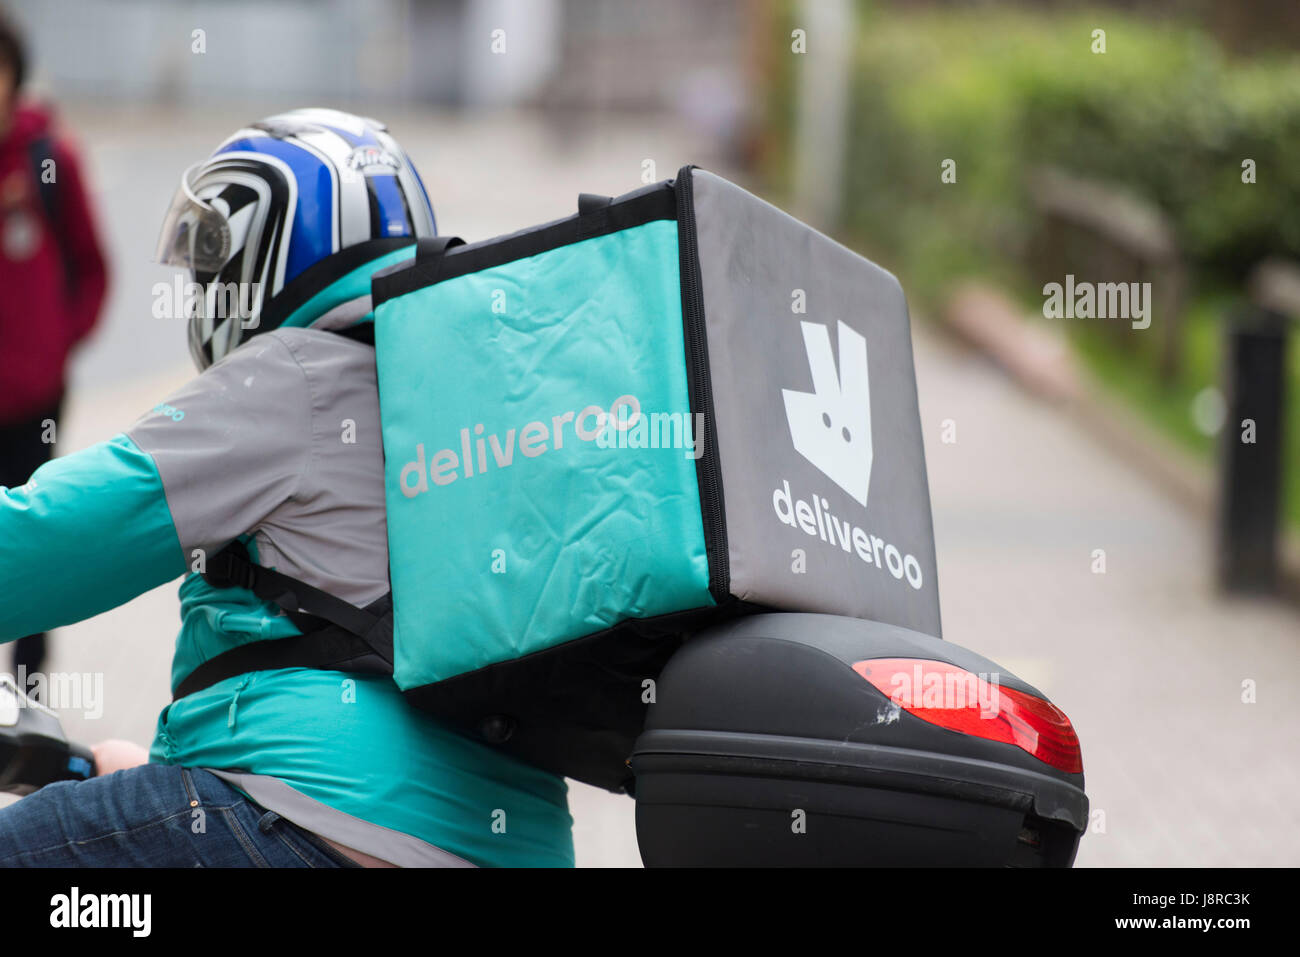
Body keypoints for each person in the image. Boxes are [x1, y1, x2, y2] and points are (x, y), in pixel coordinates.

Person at [0, 108, 575, 867]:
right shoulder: (487, 401)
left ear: (269, 253)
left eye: (216, 261)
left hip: (318, 827)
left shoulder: (293, 379)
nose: (208, 289)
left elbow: (38, 546)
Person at [0, 10, 108, 691]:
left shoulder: (48, 159)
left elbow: (93, 267)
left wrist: (55, 347)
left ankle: (27, 695)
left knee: (32, 544)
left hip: (33, 397)